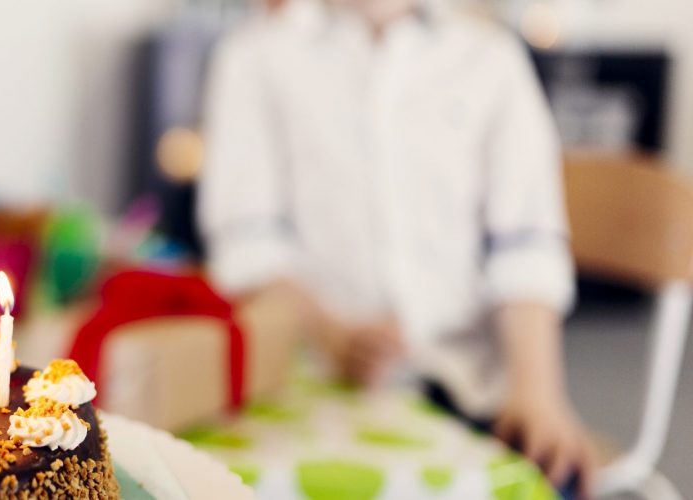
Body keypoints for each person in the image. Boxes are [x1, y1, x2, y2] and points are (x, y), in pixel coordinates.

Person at [200, 0, 597, 494]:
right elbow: (248, 244)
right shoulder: (255, 55)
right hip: (313, 384)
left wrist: (537, 392)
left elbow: (526, 247)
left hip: (475, 388)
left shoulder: (491, 57)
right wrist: (328, 332)